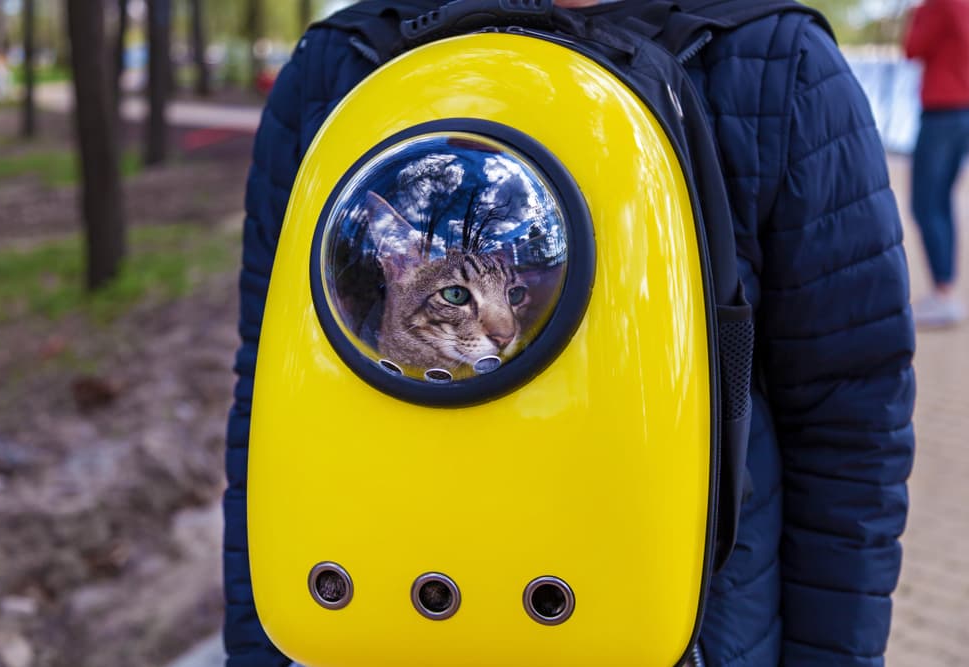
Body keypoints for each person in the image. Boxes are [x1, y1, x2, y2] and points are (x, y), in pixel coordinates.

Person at [223, 1, 916, 665]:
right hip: (372, 627)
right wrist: (259, 650)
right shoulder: (338, 65)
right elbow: (268, 399)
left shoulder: (773, 61)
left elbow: (848, 418)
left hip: (683, 630)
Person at [904, 0, 969, 328]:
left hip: (942, 111)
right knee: (941, 202)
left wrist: (914, 14)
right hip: (962, 111)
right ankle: (944, 288)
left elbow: (912, 48)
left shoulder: (938, 4)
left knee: (926, 203)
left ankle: (943, 293)